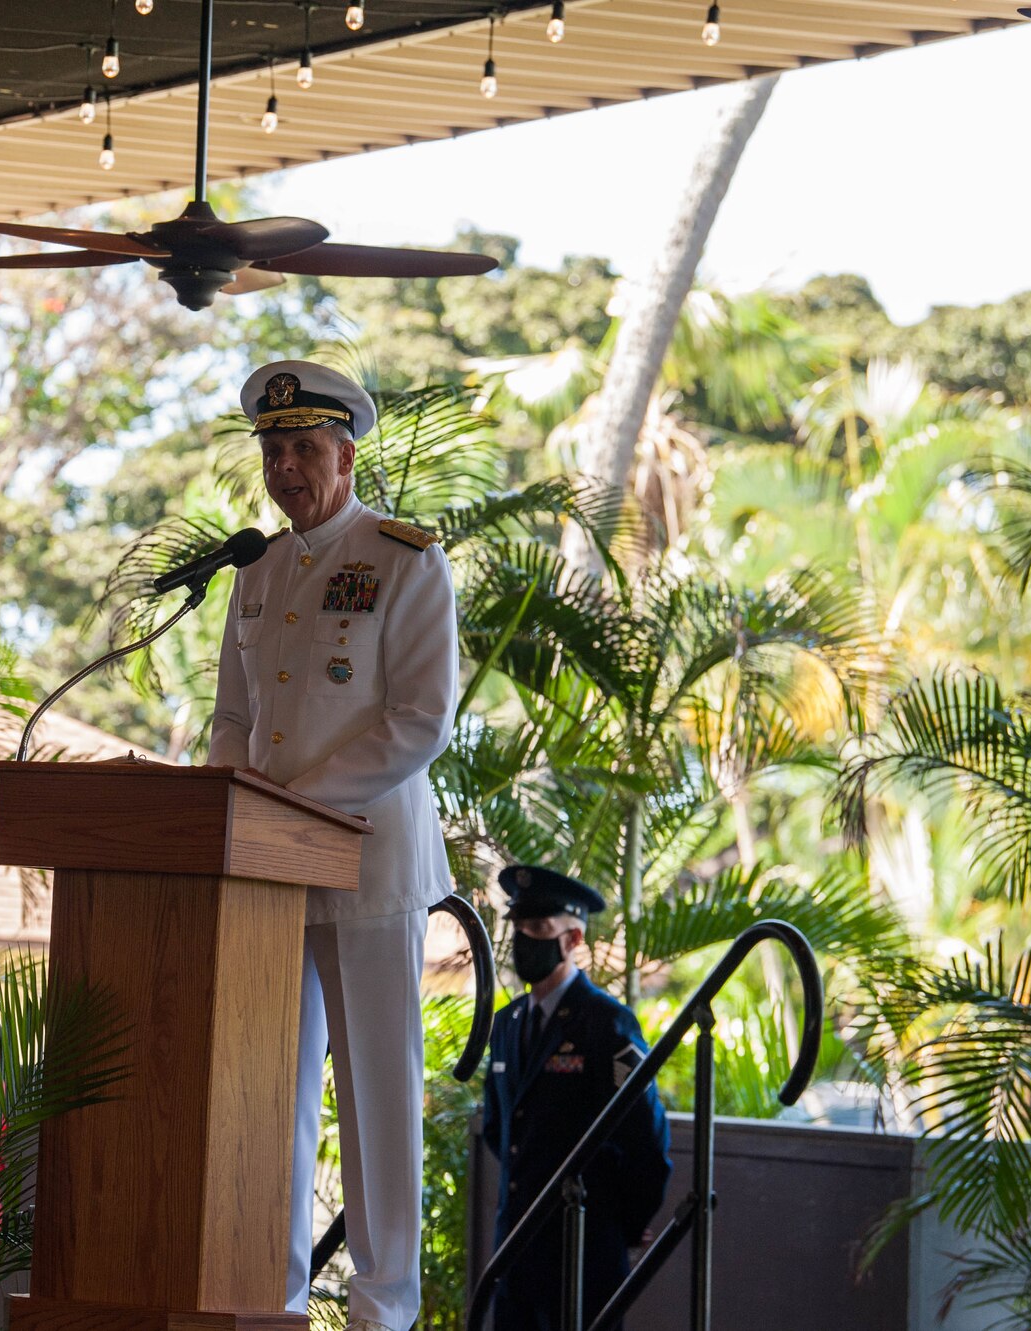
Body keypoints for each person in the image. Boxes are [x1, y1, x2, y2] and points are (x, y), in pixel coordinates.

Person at [208, 359, 459, 1331]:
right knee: (267, 1095)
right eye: (273, 450)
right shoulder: (259, 571)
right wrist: (237, 804)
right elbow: (232, 717)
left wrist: (292, 808)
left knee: (376, 1098)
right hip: (268, 872)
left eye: (304, 448)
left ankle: (380, 1311)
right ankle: (267, 1302)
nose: (285, 466)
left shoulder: (403, 557)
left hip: (366, 864)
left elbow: (418, 719)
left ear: (346, 456)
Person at [481, 865, 672, 1331]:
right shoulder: (506, 1025)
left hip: (584, 1247)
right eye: (519, 927)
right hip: (516, 1248)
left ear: (573, 940)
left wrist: (625, 1221)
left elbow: (645, 1132)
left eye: (540, 929)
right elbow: (498, 1125)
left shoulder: (607, 1024)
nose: (525, 938)